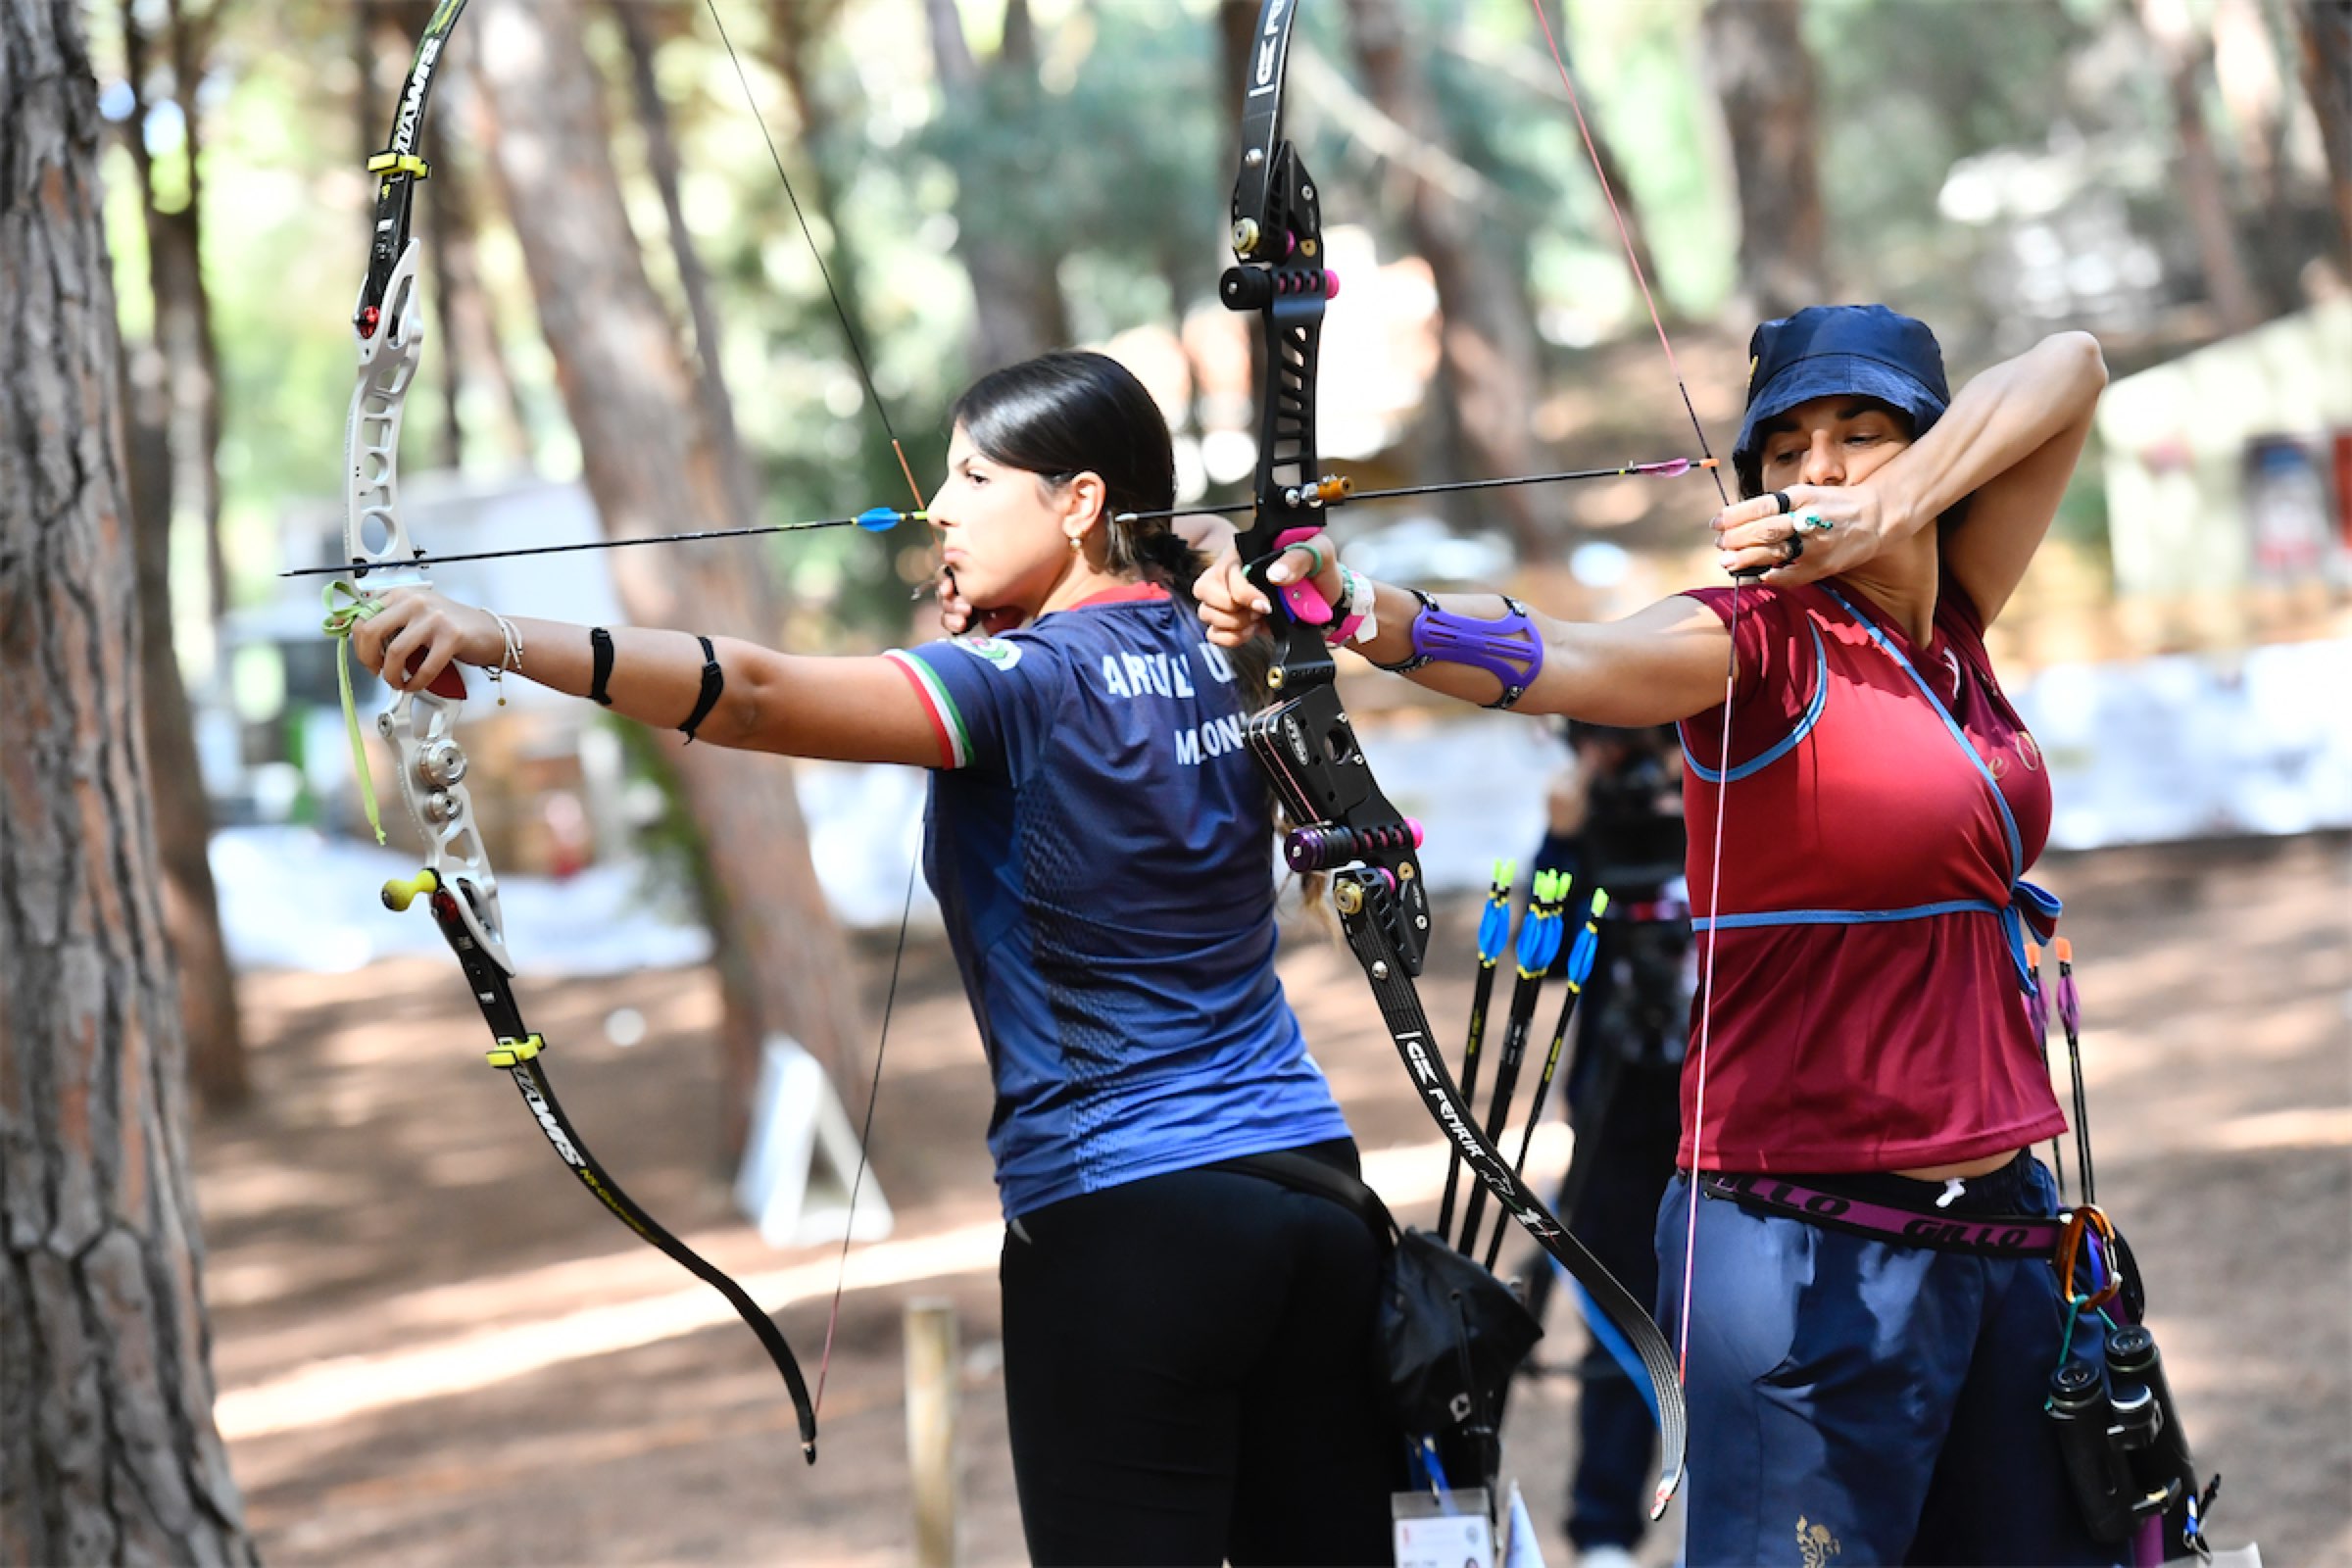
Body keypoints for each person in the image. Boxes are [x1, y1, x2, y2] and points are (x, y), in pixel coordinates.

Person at [349, 350, 1401, 1566]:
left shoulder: (1020, 685)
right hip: (1316, 1192)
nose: (939, 507)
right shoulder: (1223, 634)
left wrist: (499, 633)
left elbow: (748, 694)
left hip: (1129, 1219)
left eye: (973, 475)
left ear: (1079, 502)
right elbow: (1192, 538)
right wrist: (1201, 550)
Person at [1198, 307, 2125, 1566]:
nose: (1819, 470)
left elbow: (2070, 365)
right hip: (1805, 1240)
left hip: (2004, 1219)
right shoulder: (1752, 641)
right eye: (1787, 448)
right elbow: (1567, 653)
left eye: (1861, 434)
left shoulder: (1951, 618)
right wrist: (1363, 608)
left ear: (1931, 449)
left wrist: (1887, 512)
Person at [1523, 720, 1690, 1568]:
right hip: (1617, 1113)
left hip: (1723, 1109)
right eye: (1602, 746)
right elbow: (1537, 956)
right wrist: (1561, 835)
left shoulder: (1724, 816)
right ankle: (1602, 1535)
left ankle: (1720, 1510)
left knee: (1736, 1318)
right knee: (1621, 1312)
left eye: (1645, 744)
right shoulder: (1581, 833)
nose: (1624, 766)